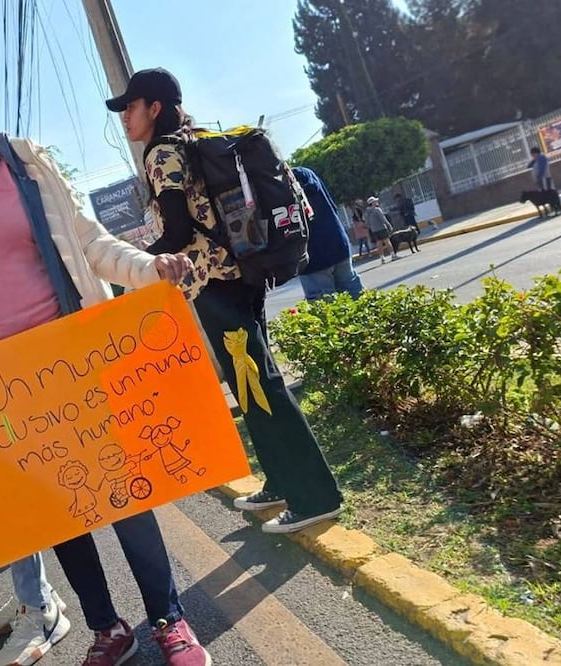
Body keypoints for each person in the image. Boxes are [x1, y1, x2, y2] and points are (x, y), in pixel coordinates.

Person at [0, 57, 207, 666]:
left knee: (124, 492)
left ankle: (169, 617)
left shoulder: (26, 163)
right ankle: (105, 627)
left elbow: (89, 243)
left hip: (72, 361)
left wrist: (149, 269)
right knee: (57, 512)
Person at [108, 67, 343, 536]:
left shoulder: (161, 153)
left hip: (214, 282)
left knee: (261, 384)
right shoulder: (195, 138)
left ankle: (316, 496)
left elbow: (176, 231)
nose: (126, 119)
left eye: (131, 108)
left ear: (154, 108)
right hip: (240, 275)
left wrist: (131, 265)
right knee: (251, 382)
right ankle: (280, 481)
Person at [292, 167, 364, 301]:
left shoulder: (274, 186)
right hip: (337, 242)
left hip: (311, 256)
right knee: (354, 295)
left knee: (325, 307)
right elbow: (333, 207)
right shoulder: (306, 173)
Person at [363, 196, 397, 263]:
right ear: (372, 203)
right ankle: (393, 255)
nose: (377, 202)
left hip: (374, 230)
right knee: (387, 241)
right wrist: (389, 225)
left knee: (379, 243)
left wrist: (371, 227)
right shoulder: (377, 209)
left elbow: (366, 222)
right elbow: (383, 218)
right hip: (381, 228)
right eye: (375, 201)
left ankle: (382, 258)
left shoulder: (366, 212)